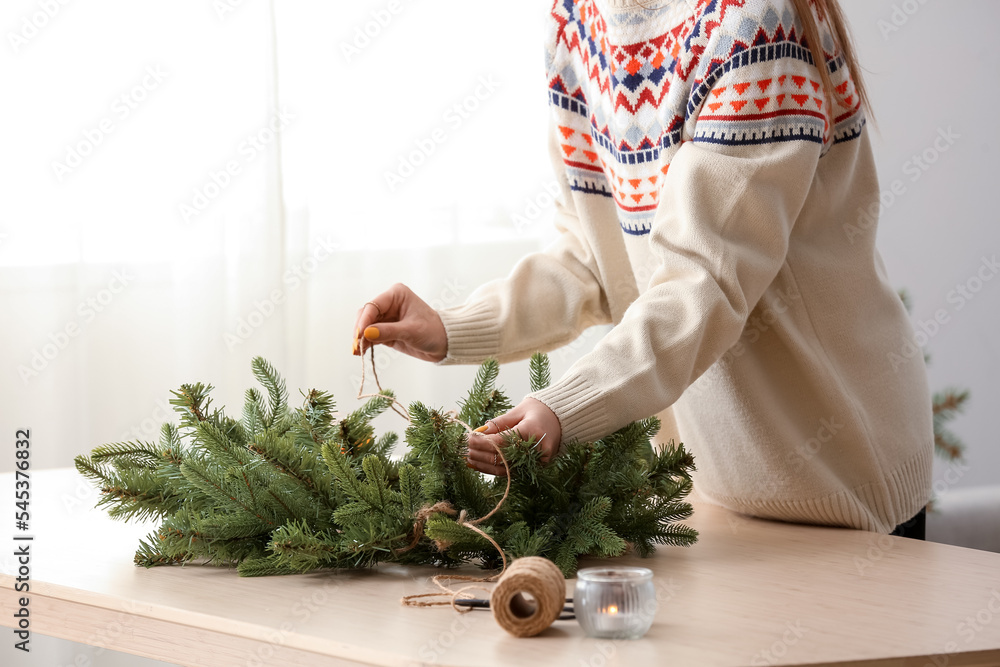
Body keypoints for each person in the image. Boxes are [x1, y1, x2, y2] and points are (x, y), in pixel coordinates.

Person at [353, 0, 933, 537]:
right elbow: (596, 256)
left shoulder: (754, 27)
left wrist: (564, 408)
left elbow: (703, 284)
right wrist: (453, 326)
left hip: (840, 482)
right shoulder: (579, 20)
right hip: (716, 494)